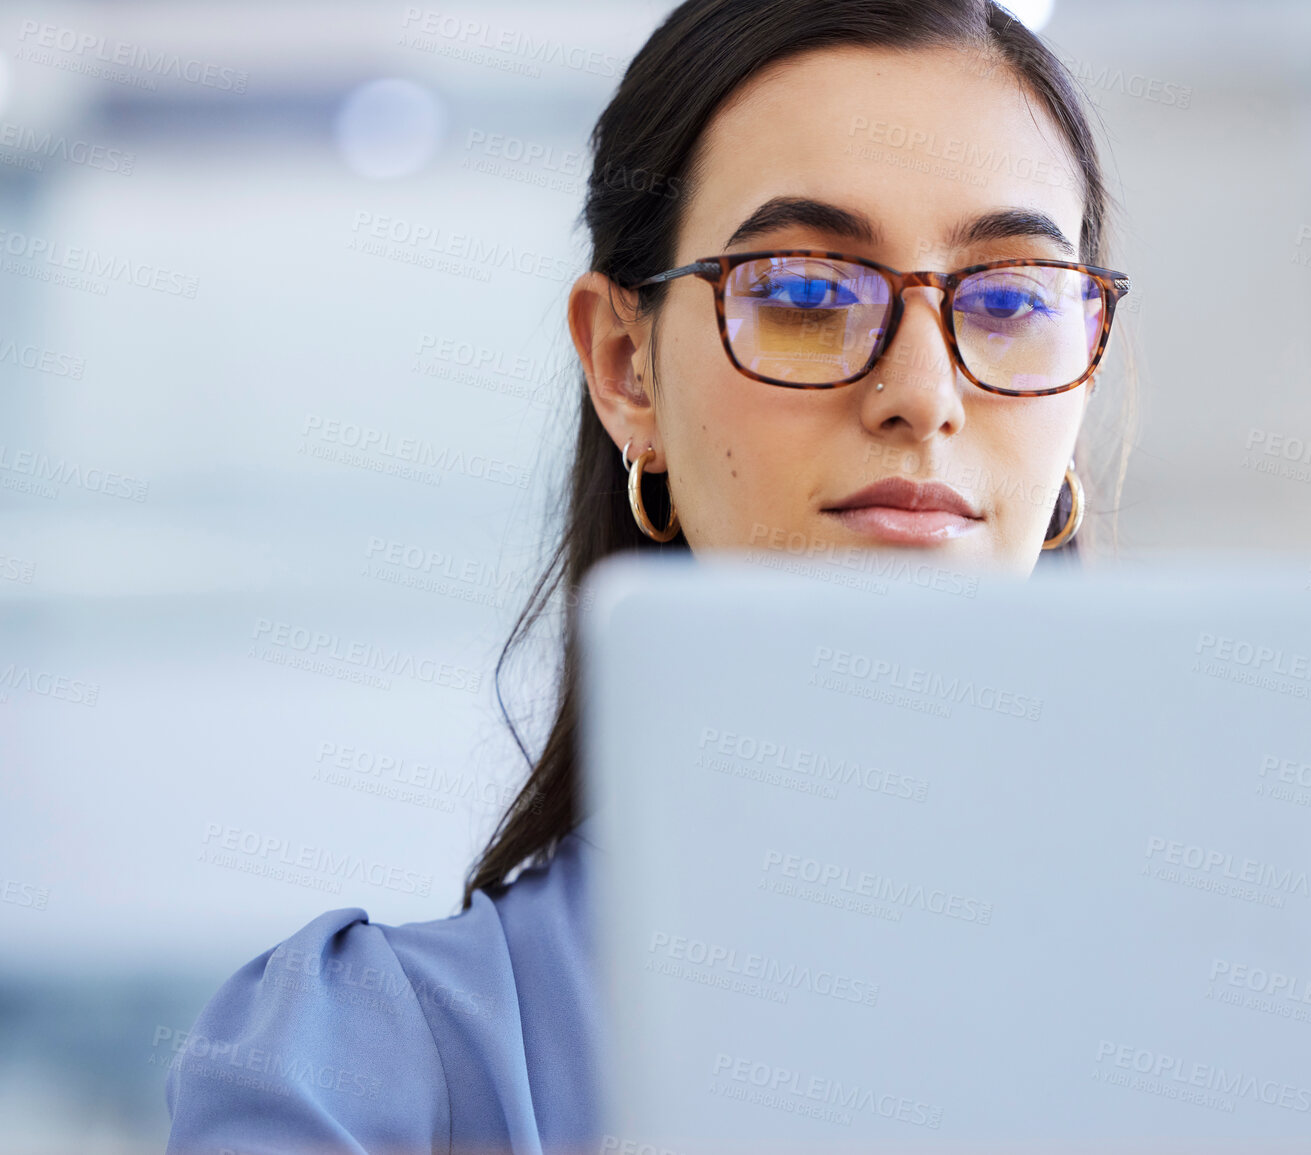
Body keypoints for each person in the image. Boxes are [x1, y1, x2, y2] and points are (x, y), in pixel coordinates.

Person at [163, 0, 1132, 1150]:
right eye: (811, 293)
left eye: (1013, 298)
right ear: (627, 367)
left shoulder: (1235, 1005)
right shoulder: (360, 1071)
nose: (925, 392)